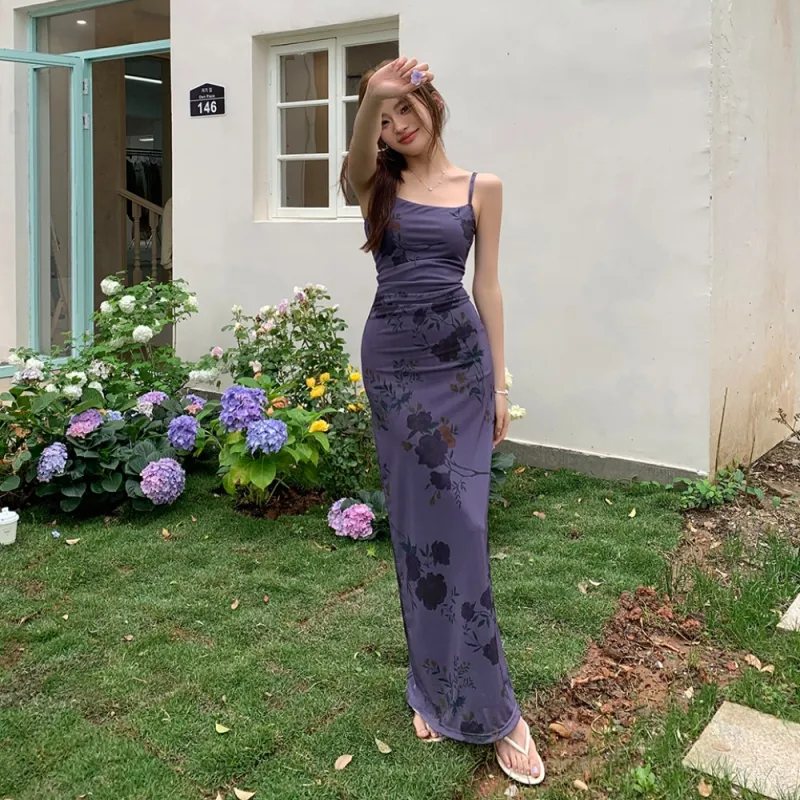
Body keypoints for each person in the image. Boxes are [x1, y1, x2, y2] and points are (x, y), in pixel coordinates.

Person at [341, 57, 545, 786]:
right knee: (416, 528)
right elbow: (353, 166)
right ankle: (432, 683)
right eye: (385, 117)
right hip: (394, 366)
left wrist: (498, 384)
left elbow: (488, 286)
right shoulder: (375, 183)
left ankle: (495, 709)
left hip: (459, 367)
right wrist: (372, 95)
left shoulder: (482, 187)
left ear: (432, 105)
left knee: (463, 524)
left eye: (407, 108)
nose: (398, 125)